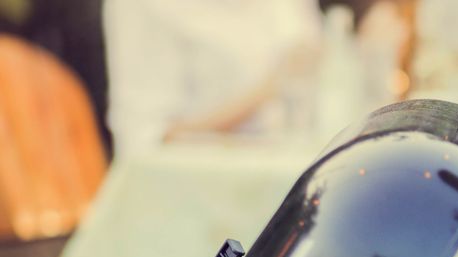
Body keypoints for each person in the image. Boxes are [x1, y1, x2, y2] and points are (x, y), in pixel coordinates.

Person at [103, 0, 321, 155]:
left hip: (296, 175)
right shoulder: (143, 6)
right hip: (203, 199)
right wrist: (266, 93)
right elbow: (147, 141)